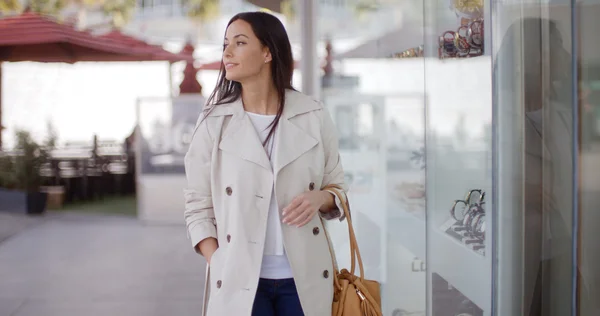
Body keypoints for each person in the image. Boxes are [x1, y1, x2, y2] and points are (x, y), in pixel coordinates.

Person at [183, 11, 348, 316]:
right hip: (239, 279)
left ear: (267, 52)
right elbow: (197, 204)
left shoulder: (312, 115)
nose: (227, 53)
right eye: (225, 45)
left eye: (240, 42)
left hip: (303, 278)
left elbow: (338, 186)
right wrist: (218, 261)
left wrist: (320, 198)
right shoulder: (213, 122)